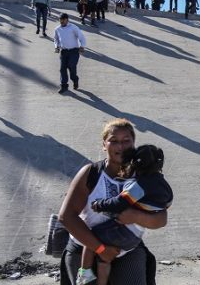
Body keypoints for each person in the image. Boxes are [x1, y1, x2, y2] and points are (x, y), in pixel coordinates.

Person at [59, 119, 168, 285]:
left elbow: (161, 219)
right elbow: (66, 217)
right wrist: (101, 249)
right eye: (114, 141)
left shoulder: (144, 176)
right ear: (104, 145)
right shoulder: (91, 173)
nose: (120, 146)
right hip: (84, 249)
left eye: (126, 141)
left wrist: (135, 216)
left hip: (126, 251)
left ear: (134, 144)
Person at [77, 144, 173, 285]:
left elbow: (119, 203)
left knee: (91, 238)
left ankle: (84, 273)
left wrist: (100, 204)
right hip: (135, 237)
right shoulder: (164, 186)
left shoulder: (139, 186)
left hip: (124, 232)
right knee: (104, 259)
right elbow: (166, 206)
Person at [54, 14, 86, 94]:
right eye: (60, 20)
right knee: (62, 69)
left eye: (63, 20)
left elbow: (81, 37)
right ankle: (64, 86)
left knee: (71, 66)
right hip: (64, 52)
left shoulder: (73, 27)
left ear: (67, 20)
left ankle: (75, 79)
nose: (61, 22)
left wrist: (82, 46)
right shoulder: (57, 29)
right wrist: (56, 46)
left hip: (74, 51)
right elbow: (56, 39)